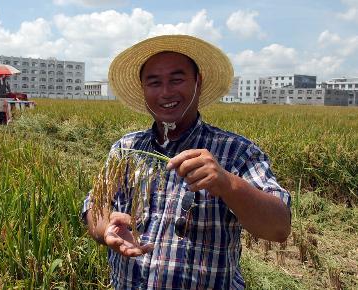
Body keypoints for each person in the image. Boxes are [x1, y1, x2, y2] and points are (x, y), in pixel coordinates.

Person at [82, 35, 291, 289]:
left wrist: (227, 184)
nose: (166, 92)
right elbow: (95, 206)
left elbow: (279, 228)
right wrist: (106, 229)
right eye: (154, 82)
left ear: (198, 83)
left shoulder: (235, 152)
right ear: (143, 89)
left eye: (177, 79)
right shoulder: (126, 149)